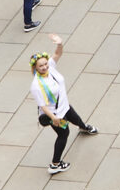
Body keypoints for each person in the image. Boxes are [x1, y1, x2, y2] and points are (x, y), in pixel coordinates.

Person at [29, 34, 98, 175]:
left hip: (64, 106)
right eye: (41, 66)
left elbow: (57, 54)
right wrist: (54, 118)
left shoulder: (50, 68)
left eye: (45, 64)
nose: (44, 67)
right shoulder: (36, 85)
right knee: (63, 134)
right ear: (35, 67)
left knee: (75, 117)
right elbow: (42, 106)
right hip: (54, 114)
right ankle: (55, 164)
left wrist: (59, 43)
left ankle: (83, 127)